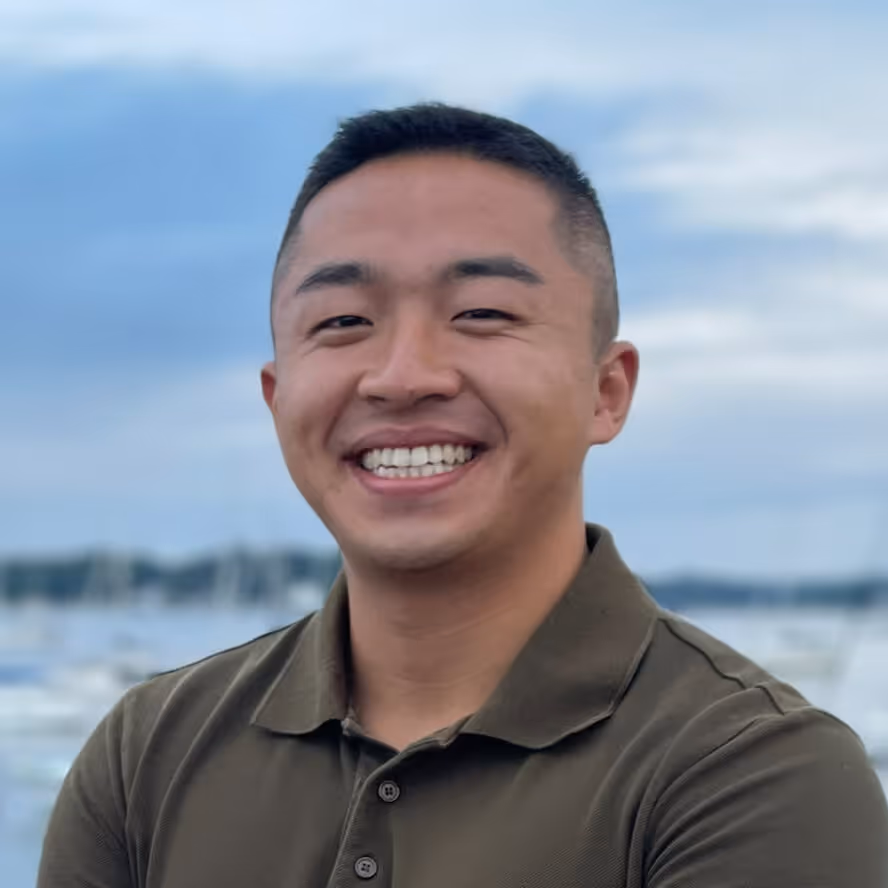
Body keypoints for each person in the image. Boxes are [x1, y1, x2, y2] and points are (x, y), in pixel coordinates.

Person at [38, 103, 887, 887]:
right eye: (341, 322)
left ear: (606, 392)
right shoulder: (147, 752)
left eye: (481, 312)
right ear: (276, 398)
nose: (403, 376)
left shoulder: (752, 771)